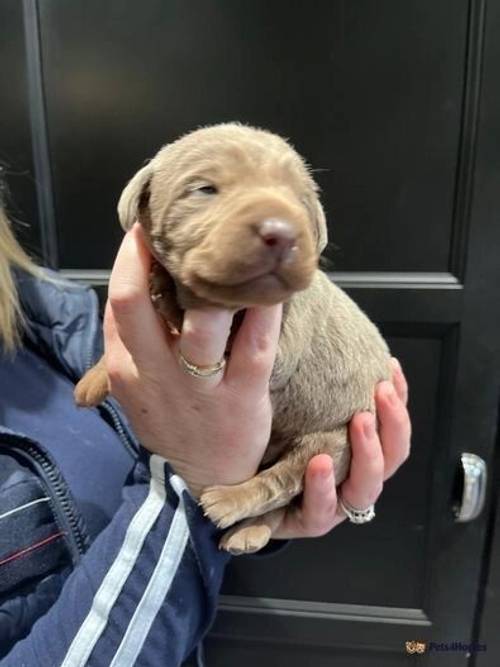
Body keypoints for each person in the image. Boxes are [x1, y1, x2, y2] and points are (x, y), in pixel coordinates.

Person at [0, 195, 411, 665]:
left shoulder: (46, 312)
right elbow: (188, 470)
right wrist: (194, 490)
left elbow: (185, 440)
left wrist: (266, 505)